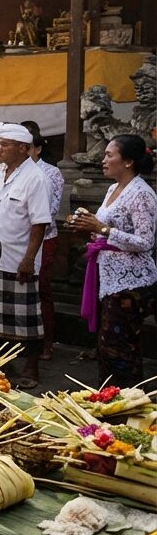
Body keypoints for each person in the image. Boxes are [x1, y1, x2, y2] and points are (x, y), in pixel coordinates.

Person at [70, 135, 157, 387]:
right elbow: (105, 227)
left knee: (121, 348)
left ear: (128, 161)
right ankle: (109, 399)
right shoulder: (113, 188)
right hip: (108, 278)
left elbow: (145, 242)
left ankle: (128, 403)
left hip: (130, 284)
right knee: (107, 345)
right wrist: (89, 226)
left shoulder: (142, 194)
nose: (103, 160)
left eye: (109, 155)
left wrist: (104, 230)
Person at [0, 123, 53, 389]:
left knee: (26, 318)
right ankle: (3, 364)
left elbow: (40, 223)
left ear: (23, 148)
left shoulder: (36, 177)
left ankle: (31, 367)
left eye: (4, 144)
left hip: (20, 257)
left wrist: (29, 258)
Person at [22, 121, 64, 360]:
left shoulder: (50, 173)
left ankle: (47, 341)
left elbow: (51, 210)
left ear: (37, 149)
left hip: (44, 238)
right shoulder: (5, 171)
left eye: (27, 147)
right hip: (16, 239)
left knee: (41, 289)